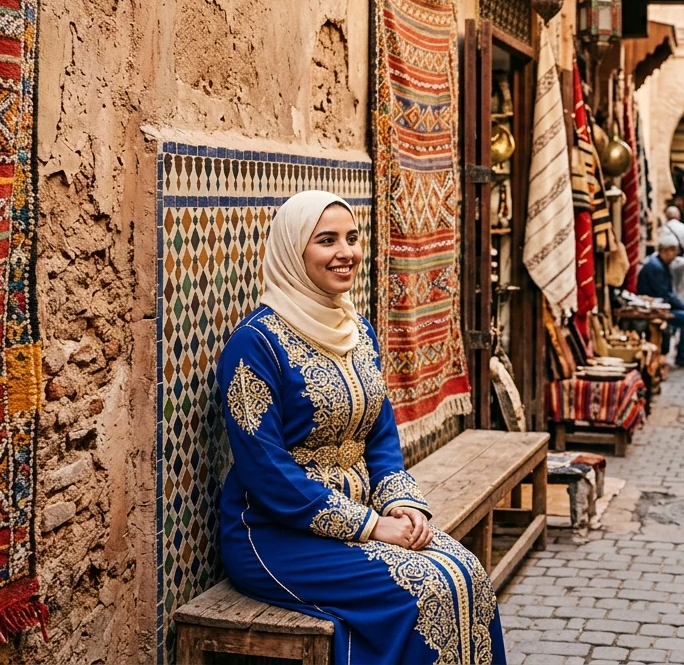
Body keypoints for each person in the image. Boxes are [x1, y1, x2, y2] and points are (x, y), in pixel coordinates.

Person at [217, 191, 506, 665]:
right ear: (293, 251)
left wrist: (401, 503)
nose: (345, 252)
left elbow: (381, 433)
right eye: (326, 240)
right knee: (425, 590)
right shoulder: (255, 345)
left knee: (468, 574)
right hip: (273, 534)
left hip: (366, 515)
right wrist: (372, 527)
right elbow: (265, 471)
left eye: (351, 238)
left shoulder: (357, 331)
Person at [637, 233, 684, 367]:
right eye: (673, 250)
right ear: (665, 250)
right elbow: (664, 293)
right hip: (655, 307)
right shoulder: (656, 267)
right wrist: (683, 307)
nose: (675, 254)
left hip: (662, 304)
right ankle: (683, 355)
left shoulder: (660, 264)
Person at [662, 205, 684, 303]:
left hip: (668, 263)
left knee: (671, 287)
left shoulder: (664, 229)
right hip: (683, 263)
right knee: (683, 291)